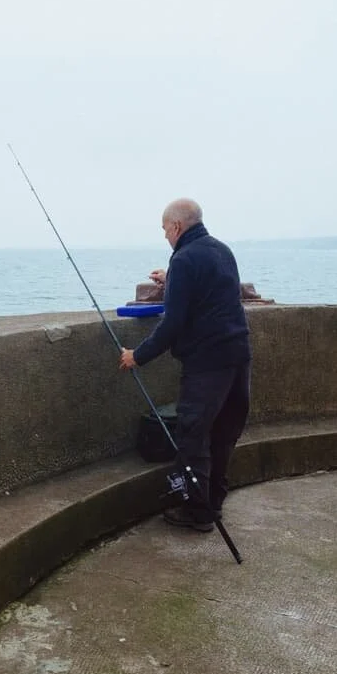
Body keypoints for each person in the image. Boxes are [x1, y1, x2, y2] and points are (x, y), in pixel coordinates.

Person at [119, 199, 252, 531]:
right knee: (223, 434)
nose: (165, 235)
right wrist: (172, 279)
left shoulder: (184, 259)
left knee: (193, 437)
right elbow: (212, 289)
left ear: (176, 227)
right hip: (238, 357)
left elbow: (172, 325)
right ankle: (214, 501)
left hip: (207, 365)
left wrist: (137, 355)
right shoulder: (222, 251)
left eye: (165, 229)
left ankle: (198, 513)